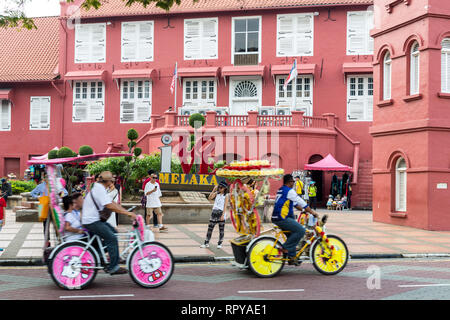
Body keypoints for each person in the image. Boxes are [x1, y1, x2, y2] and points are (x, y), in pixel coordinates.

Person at [82, 171, 137, 275]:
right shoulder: (99, 190)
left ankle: (99, 254)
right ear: (108, 181)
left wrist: (127, 212)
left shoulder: (101, 188)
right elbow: (109, 206)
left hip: (93, 219)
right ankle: (113, 267)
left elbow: (112, 203)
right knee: (111, 238)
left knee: (113, 232)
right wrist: (128, 214)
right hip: (92, 221)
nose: (113, 181)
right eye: (112, 179)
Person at [272, 174, 319, 265]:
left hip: (276, 217)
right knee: (300, 231)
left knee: (291, 236)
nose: (294, 183)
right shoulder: (289, 191)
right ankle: (285, 248)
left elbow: (294, 204)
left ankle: (292, 257)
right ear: (290, 182)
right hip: (282, 218)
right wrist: (312, 212)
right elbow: (301, 202)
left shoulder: (281, 190)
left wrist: (304, 211)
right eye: (293, 181)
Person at [200, 181, 229, 249]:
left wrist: (223, 215)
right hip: (214, 212)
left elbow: (225, 206)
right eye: (219, 187)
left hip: (221, 212)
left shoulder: (226, 196)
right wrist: (214, 190)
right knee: (210, 228)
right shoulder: (216, 193)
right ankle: (206, 243)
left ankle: (220, 243)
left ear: (224, 188)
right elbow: (209, 198)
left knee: (221, 229)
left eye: (221, 187)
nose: (219, 188)